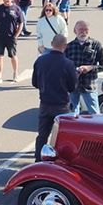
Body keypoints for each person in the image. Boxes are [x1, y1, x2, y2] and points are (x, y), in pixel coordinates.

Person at [31, 34, 77, 162]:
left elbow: (34, 82)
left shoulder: (40, 60)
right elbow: (72, 86)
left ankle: (38, 160)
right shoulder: (68, 64)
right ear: (65, 46)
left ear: (52, 43)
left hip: (45, 102)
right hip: (61, 104)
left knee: (42, 135)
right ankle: (60, 159)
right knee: (62, 135)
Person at [65, 21, 103, 115]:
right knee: (72, 114)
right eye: (80, 29)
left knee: (95, 114)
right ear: (75, 31)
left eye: (86, 30)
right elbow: (63, 67)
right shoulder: (69, 47)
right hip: (73, 86)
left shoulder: (96, 45)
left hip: (89, 85)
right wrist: (73, 71)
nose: (83, 32)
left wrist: (90, 68)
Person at [0, 0, 25, 85]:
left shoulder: (16, 9)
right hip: (0, 37)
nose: (6, 0)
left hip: (11, 37)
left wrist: (16, 35)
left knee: (13, 56)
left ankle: (15, 74)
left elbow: (21, 23)